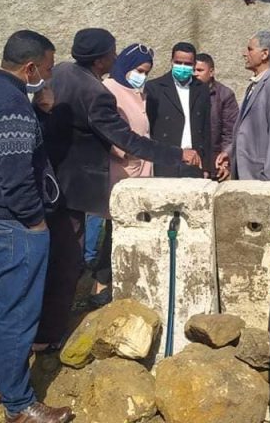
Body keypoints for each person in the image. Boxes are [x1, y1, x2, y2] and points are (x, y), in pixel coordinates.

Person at [35, 28, 200, 350]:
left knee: (55, 257)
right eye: (112, 53)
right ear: (101, 60)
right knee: (67, 262)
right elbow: (125, 139)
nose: (115, 57)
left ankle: (44, 326)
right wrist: (177, 154)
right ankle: (48, 336)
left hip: (53, 178)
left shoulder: (64, 71)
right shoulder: (97, 93)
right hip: (74, 184)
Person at [0, 30, 73, 423]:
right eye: (47, 68)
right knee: (17, 314)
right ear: (29, 68)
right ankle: (18, 402)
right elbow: (16, 178)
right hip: (13, 225)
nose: (49, 75)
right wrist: (35, 222)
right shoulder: (10, 104)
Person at [81, 43, 158, 307]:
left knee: (129, 230)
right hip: (121, 171)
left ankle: (120, 280)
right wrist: (124, 152)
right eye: (139, 70)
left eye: (146, 72)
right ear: (125, 65)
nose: (142, 76)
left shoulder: (138, 92)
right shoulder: (110, 90)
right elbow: (104, 131)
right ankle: (101, 283)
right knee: (117, 229)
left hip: (141, 172)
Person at [216, 31, 270, 181]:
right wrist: (230, 152)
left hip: (263, 178)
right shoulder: (255, 84)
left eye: (250, 49)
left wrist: (269, 179)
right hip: (248, 175)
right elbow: (247, 131)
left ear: (264, 54)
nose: (244, 54)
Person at [145, 42, 212, 177]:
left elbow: (206, 128)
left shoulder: (202, 89)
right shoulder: (155, 87)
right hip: (165, 160)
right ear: (171, 62)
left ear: (194, 65)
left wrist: (207, 166)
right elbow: (148, 127)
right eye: (178, 62)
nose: (182, 67)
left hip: (194, 161)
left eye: (187, 64)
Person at [194, 53, 239, 172]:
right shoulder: (187, 93)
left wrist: (225, 158)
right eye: (193, 70)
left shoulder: (225, 95)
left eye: (199, 70)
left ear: (211, 72)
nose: (195, 74)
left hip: (215, 162)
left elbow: (230, 132)